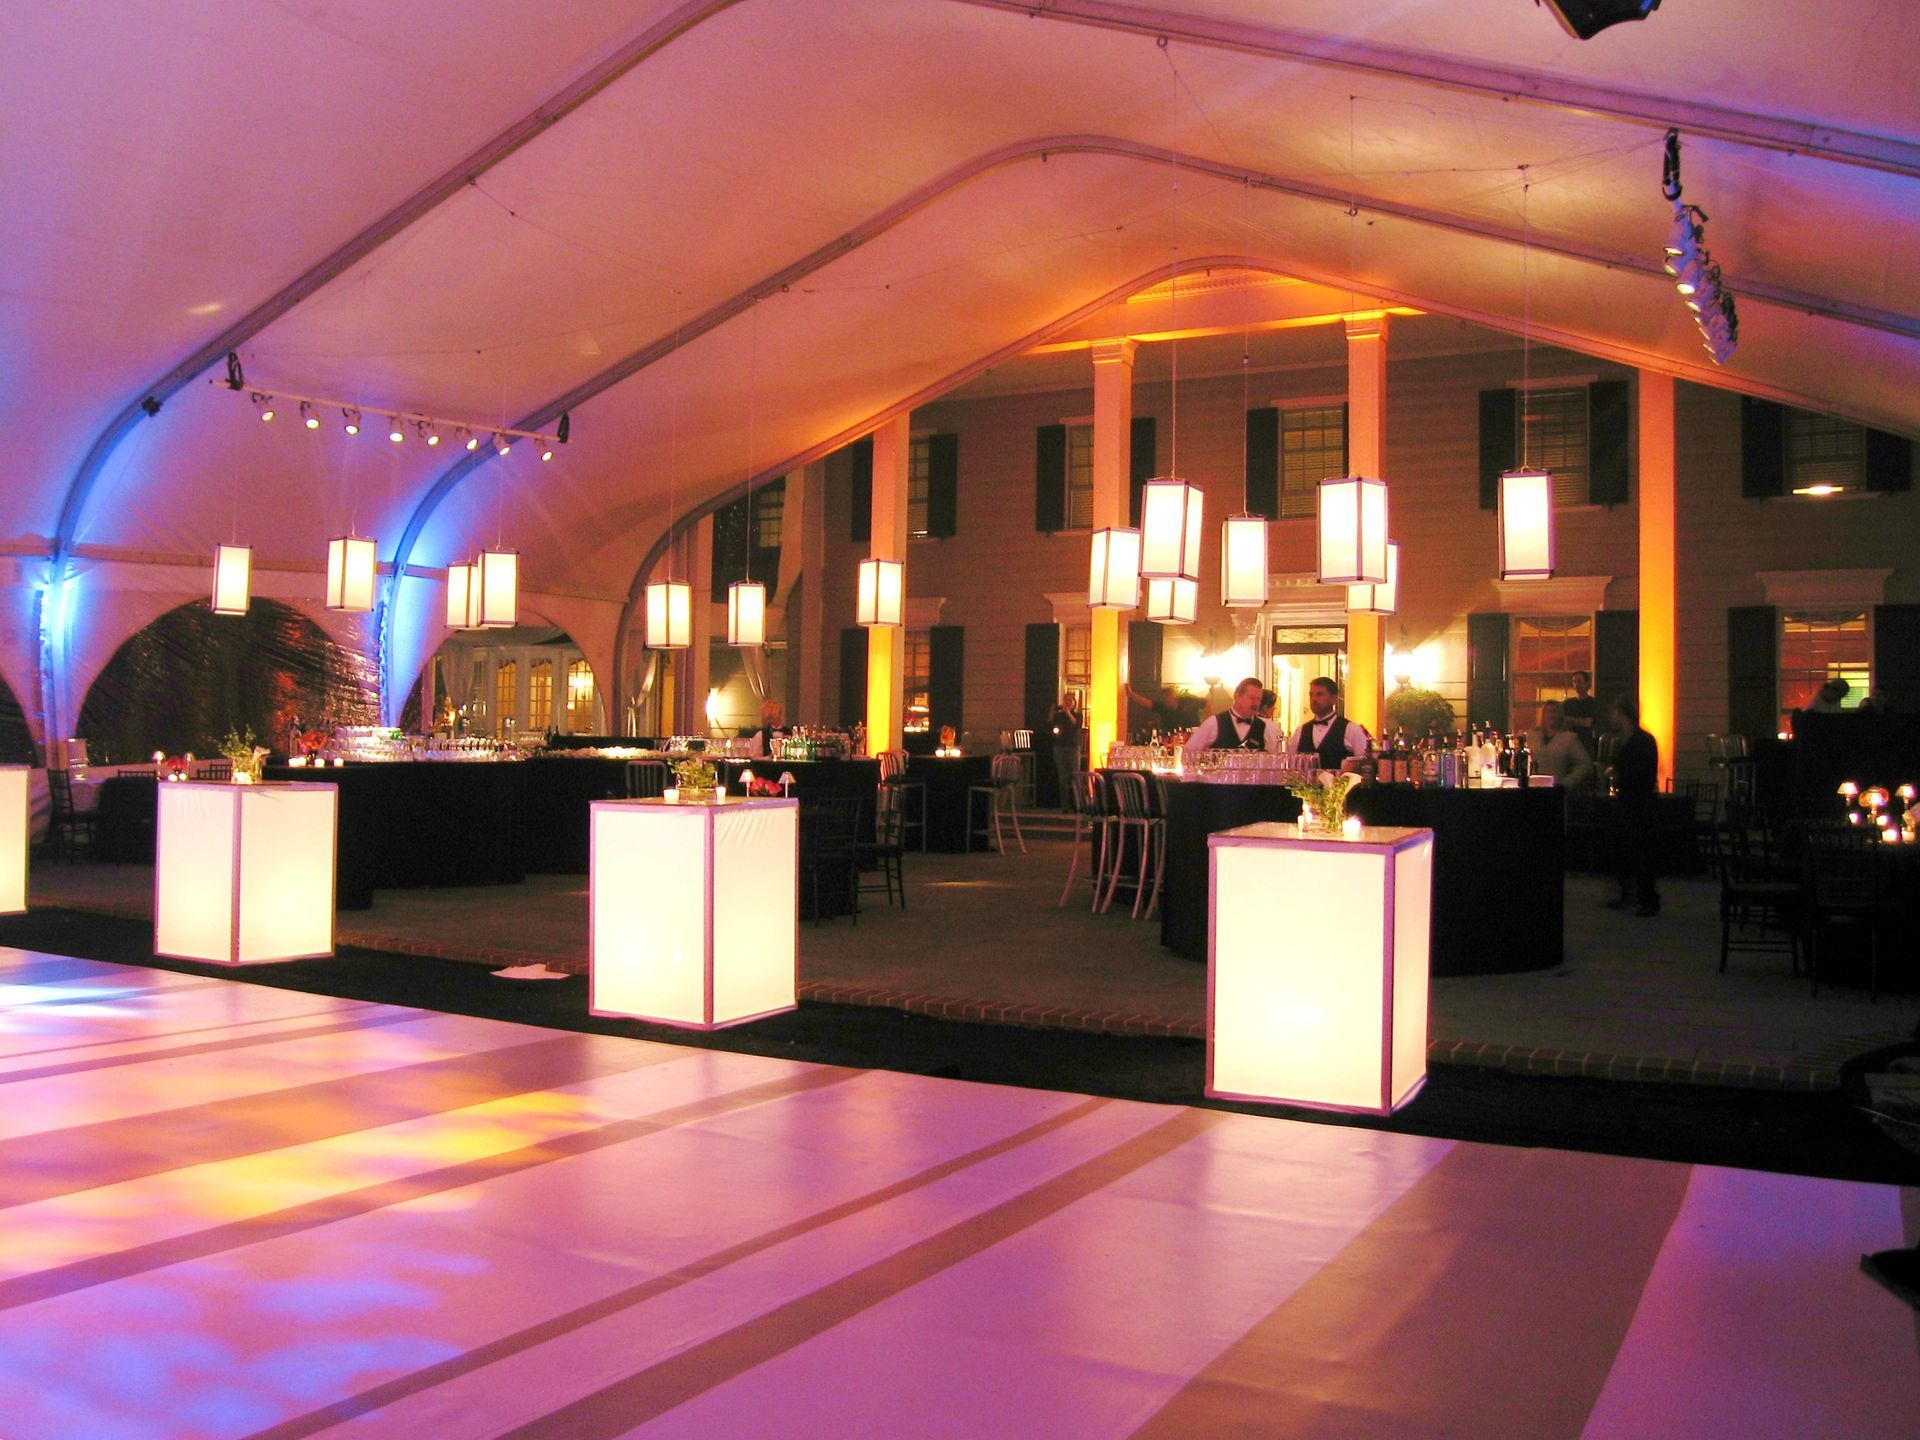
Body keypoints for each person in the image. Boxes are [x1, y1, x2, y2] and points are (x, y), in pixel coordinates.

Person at [1605, 694, 1660, 917]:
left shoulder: (1642, 741)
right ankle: (1629, 895)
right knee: (1625, 849)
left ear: (1621, 713)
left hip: (1639, 803)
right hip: (1628, 801)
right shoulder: (1625, 740)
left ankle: (1647, 899)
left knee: (1642, 851)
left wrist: (1620, 776)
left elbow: (1645, 774)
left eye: (1614, 713)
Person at [1183, 676, 1281, 756]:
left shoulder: (1265, 727)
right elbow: (1189, 754)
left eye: (1258, 699)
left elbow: (1276, 759)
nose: (1256, 703)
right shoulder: (1214, 723)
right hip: (1217, 780)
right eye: (1252, 698)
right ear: (1237, 696)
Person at [1287, 675, 1371, 769]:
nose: (1313, 699)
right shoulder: (1300, 731)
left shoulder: (1351, 729)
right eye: (1311, 694)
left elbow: (1365, 765)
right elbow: (1291, 766)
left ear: (1334, 699)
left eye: (1319, 694)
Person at [1526, 699, 1594, 788]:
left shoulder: (1569, 739)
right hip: (1532, 788)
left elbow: (1585, 764)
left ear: (1560, 715)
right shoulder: (1531, 736)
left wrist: (1566, 783)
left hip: (1556, 789)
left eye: (1554, 712)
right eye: (1547, 711)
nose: (1551, 715)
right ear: (1543, 715)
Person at [1046, 693, 1084, 812]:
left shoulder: (1078, 715)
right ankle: (1065, 806)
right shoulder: (1059, 716)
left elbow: (1076, 724)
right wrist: (1052, 714)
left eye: (1070, 700)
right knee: (1062, 777)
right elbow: (1050, 725)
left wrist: (1068, 713)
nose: (1067, 703)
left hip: (1072, 747)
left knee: (1075, 776)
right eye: (1065, 700)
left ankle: (1077, 804)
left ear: (1074, 703)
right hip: (1059, 747)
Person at [1560, 670, 1599, 745]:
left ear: (1587, 683)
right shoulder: (1568, 703)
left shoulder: (1592, 703)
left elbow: (1588, 723)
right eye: (1574, 681)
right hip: (1569, 742)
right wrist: (1581, 721)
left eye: (1579, 681)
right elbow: (1561, 721)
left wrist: (1570, 720)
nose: (1576, 684)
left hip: (1586, 742)